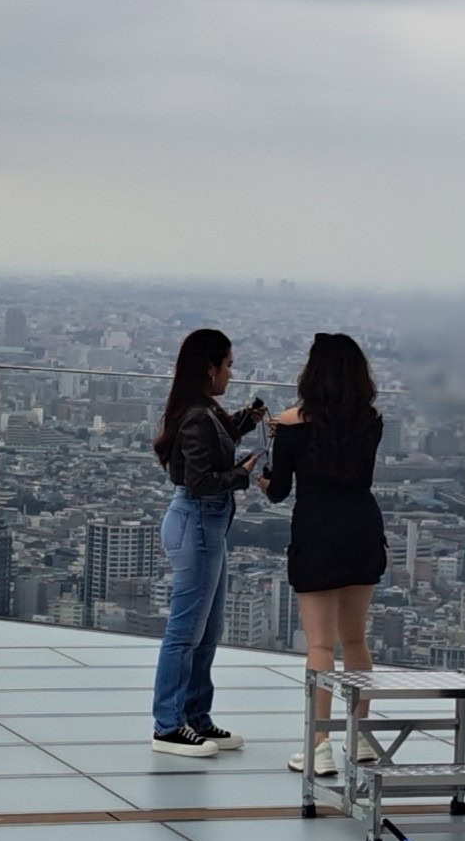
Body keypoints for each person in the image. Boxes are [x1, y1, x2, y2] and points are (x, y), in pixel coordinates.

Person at [261, 332, 388, 781]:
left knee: (320, 643)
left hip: (316, 531)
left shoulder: (292, 426)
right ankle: (362, 734)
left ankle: (319, 745)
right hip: (362, 527)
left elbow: (278, 492)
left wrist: (268, 461)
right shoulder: (372, 422)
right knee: (355, 639)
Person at [150, 328, 264, 757]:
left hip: (206, 524)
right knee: (185, 631)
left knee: (208, 628)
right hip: (197, 520)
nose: (230, 374)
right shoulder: (198, 415)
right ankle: (167, 724)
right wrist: (243, 473)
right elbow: (199, 480)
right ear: (209, 367)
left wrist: (245, 421)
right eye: (228, 365)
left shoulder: (202, 411)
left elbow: (213, 446)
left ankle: (196, 717)